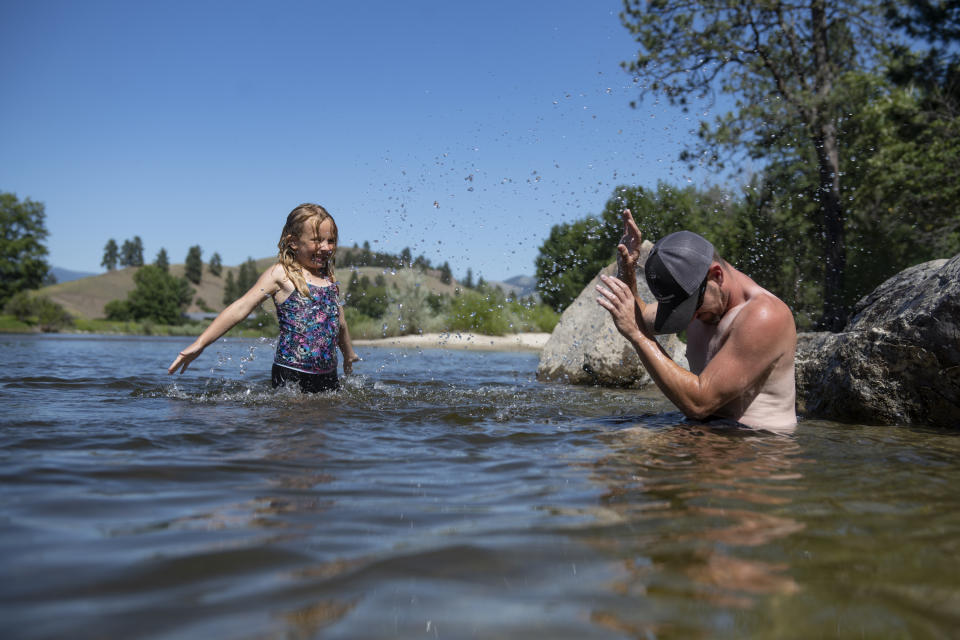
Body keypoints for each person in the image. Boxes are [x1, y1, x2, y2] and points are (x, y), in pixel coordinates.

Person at [595, 209, 797, 430]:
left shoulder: (763, 315)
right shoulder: (702, 298)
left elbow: (700, 403)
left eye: (691, 306)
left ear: (716, 275)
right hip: (706, 433)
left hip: (753, 445)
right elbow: (640, 318)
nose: (689, 317)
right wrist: (628, 268)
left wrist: (638, 337)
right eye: (680, 309)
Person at [168, 203, 360, 393]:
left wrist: (348, 353)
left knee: (327, 421)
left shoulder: (328, 279)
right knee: (296, 420)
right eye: (317, 240)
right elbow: (241, 307)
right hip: (291, 372)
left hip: (328, 374)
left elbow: (339, 321)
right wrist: (200, 344)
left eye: (331, 240)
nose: (326, 247)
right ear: (293, 242)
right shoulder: (281, 274)